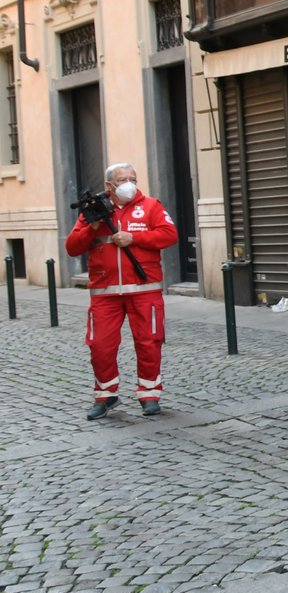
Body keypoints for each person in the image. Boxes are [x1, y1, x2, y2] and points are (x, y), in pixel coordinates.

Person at [66, 163, 179, 419]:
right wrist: (92, 227)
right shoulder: (92, 212)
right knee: (100, 346)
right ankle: (106, 395)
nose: (129, 183)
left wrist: (134, 238)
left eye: (133, 178)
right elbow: (72, 247)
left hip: (144, 289)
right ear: (109, 185)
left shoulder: (150, 206)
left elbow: (169, 235)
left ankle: (149, 394)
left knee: (149, 342)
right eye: (122, 179)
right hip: (104, 292)